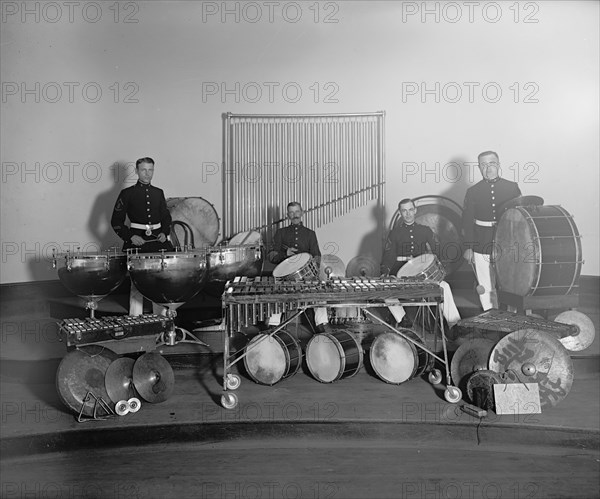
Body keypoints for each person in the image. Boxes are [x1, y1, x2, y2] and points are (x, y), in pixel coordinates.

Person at [381, 198, 461, 328]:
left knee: (444, 286)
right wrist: (385, 272)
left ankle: (454, 324)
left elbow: (437, 250)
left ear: (415, 211)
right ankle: (402, 319)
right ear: (400, 213)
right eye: (404, 211)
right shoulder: (394, 233)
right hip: (401, 273)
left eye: (410, 210)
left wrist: (440, 266)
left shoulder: (425, 230)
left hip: (422, 274)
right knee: (385, 289)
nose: (408, 214)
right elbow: (389, 255)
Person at [111, 157, 174, 315]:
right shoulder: (127, 193)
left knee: (161, 281)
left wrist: (164, 233)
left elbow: (166, 218)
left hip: (158, 243)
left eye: (150, 170)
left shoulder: (158, 193)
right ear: (137, 171)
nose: (147, 174)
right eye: (144, 170)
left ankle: (161, 320)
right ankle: (136, 320)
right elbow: (116, 221)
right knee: (137, 284)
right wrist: (130, 237)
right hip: (137, 242)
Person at [462, 150, 521, 310]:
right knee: (486, 283)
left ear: (499, 164)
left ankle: (511, 315)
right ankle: (491, 315)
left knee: (509, 281)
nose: (488, 168)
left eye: (492, 164)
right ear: (479, 168)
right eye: (483, 165)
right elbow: (467, 222)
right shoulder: (473, 192)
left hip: (507, 241)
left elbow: (519, 217)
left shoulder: (512, 188)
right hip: (481, 241)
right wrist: (468, 247)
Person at [268, 202, 329, 332]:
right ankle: (273, 325)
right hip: (286, 279)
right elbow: (271, 256)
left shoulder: (310, 234)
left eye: (297, 212)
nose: (294, 215)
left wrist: (314, 271)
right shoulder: (280, 233)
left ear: (302, 213)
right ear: (287, 215)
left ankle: (322, 325)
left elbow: (317, 256)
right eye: (291, 212)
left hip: (307, 278)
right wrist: (285, 253)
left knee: (319, 293)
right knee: (276, 294)